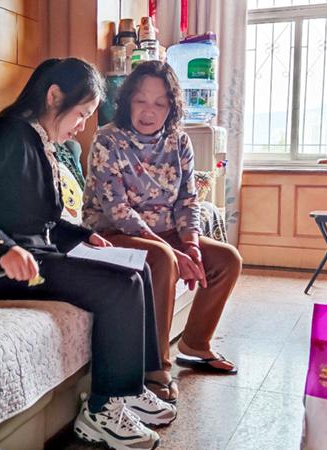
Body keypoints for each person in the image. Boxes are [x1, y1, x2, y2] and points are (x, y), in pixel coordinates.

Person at [0, 57, 176, 450]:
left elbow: (42, 221)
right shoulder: (6, 133)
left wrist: (85, 236)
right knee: (119, 287)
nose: (81, 126)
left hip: (38, 257)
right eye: (81, 114)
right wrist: (3, 248)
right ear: (53, 96)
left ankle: (132, 388)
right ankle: (101, 411)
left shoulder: (40, 142)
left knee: (138, 270)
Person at [83, 61, 243, 404]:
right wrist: (172, 250)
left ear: (171, 107)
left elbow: (187, 200)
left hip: (165, 234)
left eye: (160, 103)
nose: (149, 111)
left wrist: (192, 245)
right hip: (114, 232)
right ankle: (154, 368)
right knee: (162, 257)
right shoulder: (107, 139)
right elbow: (118, 211)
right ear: (127, 101)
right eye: (141, 100)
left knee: (227, 259)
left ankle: (196, 343)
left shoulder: (179, 141)